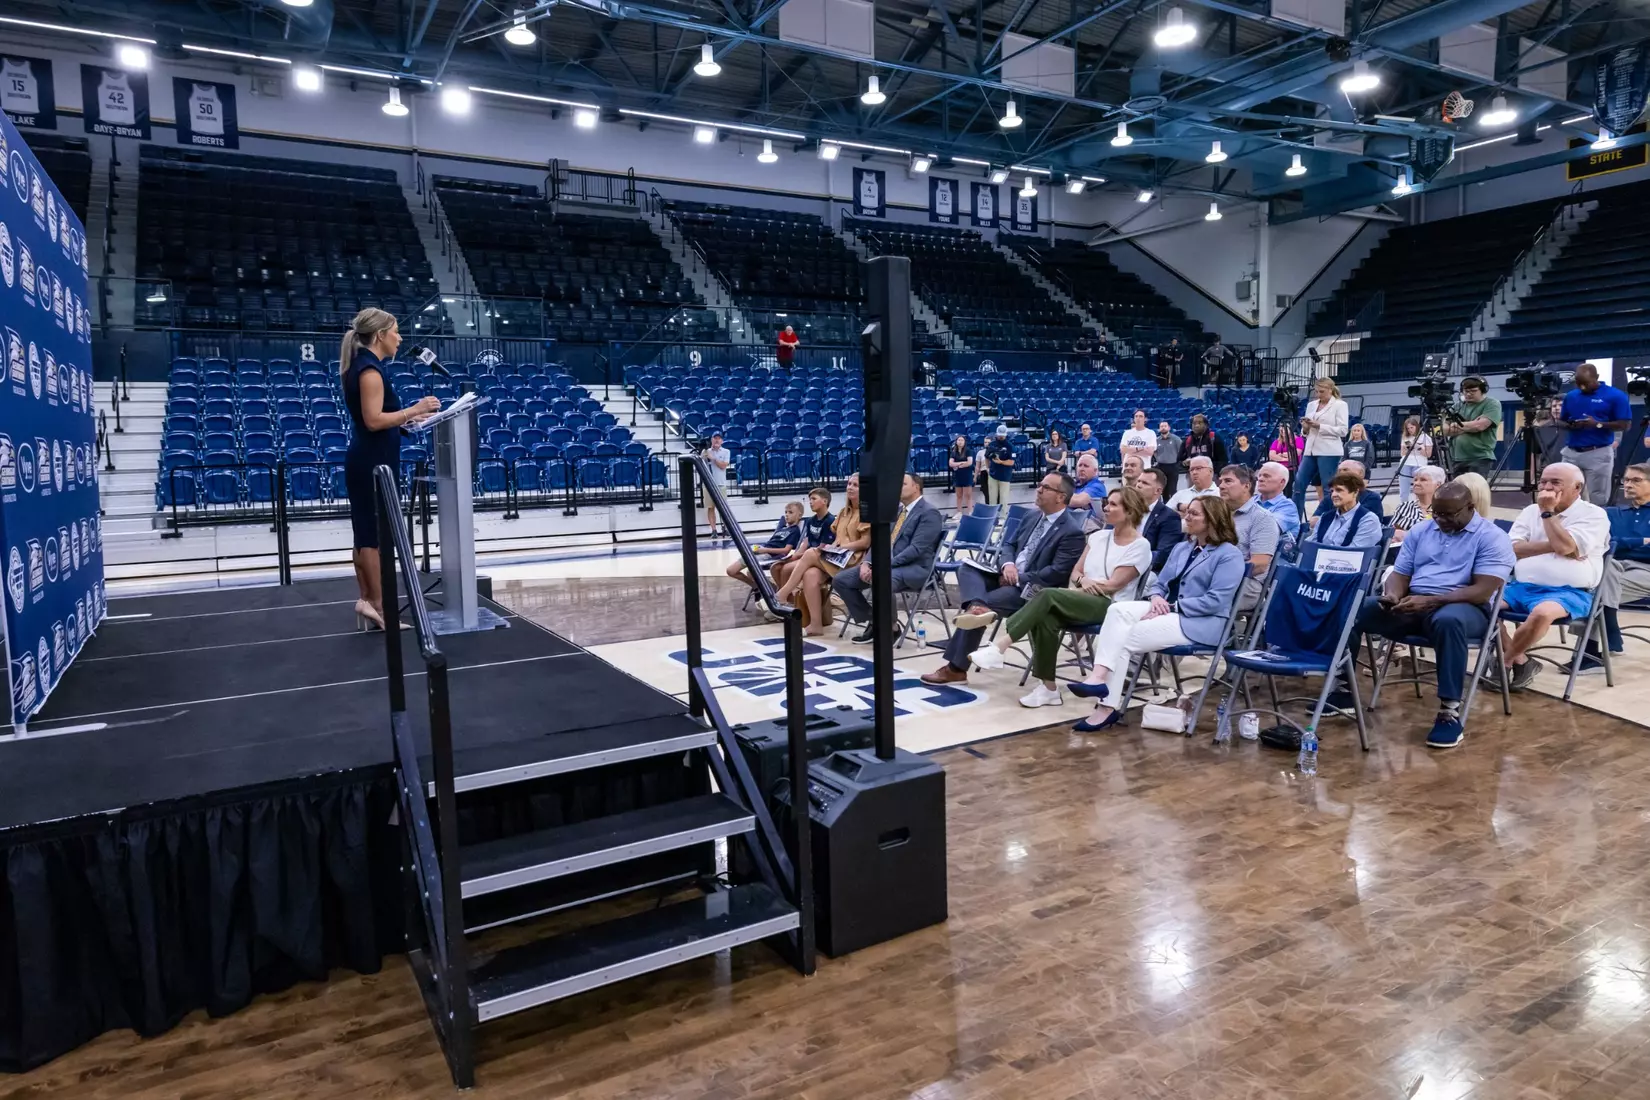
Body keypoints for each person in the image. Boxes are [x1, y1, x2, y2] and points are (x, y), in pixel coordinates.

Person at [1348, 482, 1515, 749]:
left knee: (1448, 620)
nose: (1440, 520)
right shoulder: (1423, 530)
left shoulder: (1492, 537)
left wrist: (1431, 601)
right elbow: (1400, 574)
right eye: (1436, 513)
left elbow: (1482, 591)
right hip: (1414, 602)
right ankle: (1343, 688)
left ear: (1470, 508)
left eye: (1448, 514)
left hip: (1467, 607)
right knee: (1356, 608)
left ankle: (1449, 712)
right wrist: (1392, 595)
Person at [1065, 496, 1247, 732]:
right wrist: (1157, 598)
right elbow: (1159, 583)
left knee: (1123, 638)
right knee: (1117, 610)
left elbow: (1216, 601)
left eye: (1194, 514)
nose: (1187, 517)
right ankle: (1099, 678)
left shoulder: (1228, 554)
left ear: (1213, 519)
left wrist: (1171, 608)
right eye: (1187, 512)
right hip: (1167, 609)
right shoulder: (1183, 547)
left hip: (1200, 622)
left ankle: (1106, 708)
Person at [964, 487, 1153, 706]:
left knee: (1046, 595)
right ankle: (1048, 689)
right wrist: (1084, 582)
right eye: (1107, 503)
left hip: (1112, 607)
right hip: (1081, 597)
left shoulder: (1140, 545)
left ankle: (1000, 647)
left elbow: (1113, 585)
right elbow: (1076, 572)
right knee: (1046, 617)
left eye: (1113, 505)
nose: (1106, 508)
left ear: (1130, 511)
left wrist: (1084, 584)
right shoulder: (1098, 537)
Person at [920, 472, 1084, 687]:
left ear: (1061, 497)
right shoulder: (1032, 516)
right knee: (967, 569)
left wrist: (1017, 578)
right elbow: (1008, 546)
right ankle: (977, 606)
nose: (1039, 489)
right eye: (1040, 485)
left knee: (985, 603)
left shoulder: (1072, 532)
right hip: (1008, 575)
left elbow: (1055, 573)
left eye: (1045, 487)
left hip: (1034, 591)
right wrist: (1008, 565)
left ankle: (956, 669)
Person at [341, 308, 439, 630]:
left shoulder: (366, 367)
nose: (400, 338)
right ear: (381, 334)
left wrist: (408, 420)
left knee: (366, 533)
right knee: (372, 536)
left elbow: (381, 420)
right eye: (396, 331)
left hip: (371, 458)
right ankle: (377, 607)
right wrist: (415, 408)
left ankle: (368, 601)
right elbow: (373, 420)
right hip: (372, 462)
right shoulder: (370, 371)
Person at [1495, 462, 1609, 691]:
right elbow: (1511, 549)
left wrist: (1548, 513)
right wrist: (1556, 546)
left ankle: (1505, 660)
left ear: (1577, 488)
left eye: (1555, 482)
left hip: (1571, 591)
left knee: (1541, 613)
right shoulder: (1529, 511)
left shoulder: (1593, 515)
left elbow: (1566, 546)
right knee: (1482, 604)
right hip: (1522, 586)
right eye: (1543, 481)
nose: (1546, 487)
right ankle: (1522, 661)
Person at [833, 472, 944, 644]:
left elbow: (916, 550)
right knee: (841, 580)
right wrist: (867, 562)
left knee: (883, 579)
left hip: (914, 568)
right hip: (886, 566)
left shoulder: (930, 513)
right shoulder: (897, 510)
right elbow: (879, 541)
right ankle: (876, 621)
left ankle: (889, 628)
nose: (897, 488)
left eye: (903, 484)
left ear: (916, 487)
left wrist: (883, 565)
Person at [1575, 461, 1650, 672]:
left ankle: (1591, 651)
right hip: (1613, 567)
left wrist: (1619, 544)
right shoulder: (1610, 513)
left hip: (1646, 571)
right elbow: (1603, 544)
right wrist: (1641, 541)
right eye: (1626, 480)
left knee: (1592, 590)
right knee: (1603, 582)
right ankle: (1596, 648)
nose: (1628, 485)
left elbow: (1613, 543)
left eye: (1636, 480)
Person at [775, 476, 865, 635]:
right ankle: (816, 625)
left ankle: (783, 593)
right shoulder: (843, 513)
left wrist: (841, 547)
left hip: (854, 559)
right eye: (849, 484)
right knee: (810, 574)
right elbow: (838, 537)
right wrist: (835, 546)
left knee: (810, 553)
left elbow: (865, 542)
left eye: (855, 485)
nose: (850, 487)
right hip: (838, 557)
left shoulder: (866, 512)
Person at [1559, 362, 1632, 503]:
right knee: (1566, 494)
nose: (1582, 387)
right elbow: (1561, 421)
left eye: (1586, 383)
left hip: (1598, 453)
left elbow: (1625, 425)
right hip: (1571, 452)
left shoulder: (1615, 396)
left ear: (1597, 377)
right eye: (1579, 384)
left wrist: (1597, 424)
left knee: (1598, 497)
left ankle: (1598, 523)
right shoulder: (1571, 396)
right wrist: (1571, 425)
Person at [1218, 463, 1280, 609]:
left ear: (1246, 486)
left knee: (1198, 592)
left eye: (1228, 481)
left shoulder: (1262, 518)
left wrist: (1217, 573)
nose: (1221, 486)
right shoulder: (1216, 513)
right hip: (1214, 577)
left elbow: (1259, 565)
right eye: (1220, 481)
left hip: (1247, 583)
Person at [1292, 376, 1349, 519]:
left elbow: (1343, 430)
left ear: (1330, 390)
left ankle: (1328, 518)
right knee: (1298, 484)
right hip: (1310, 449)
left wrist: (1319, 426)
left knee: (1327, 486)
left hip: (1329, 450)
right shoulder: (1312, 405)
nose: (1318, 395)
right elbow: (1305, 432)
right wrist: (1305, 428)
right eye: (1316, 392)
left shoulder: (1339, 405)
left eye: (1321, 391)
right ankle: (1295, 519)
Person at [729, 501, 803, 591]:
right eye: (786, 512)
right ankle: (760, 588)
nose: (787, 515)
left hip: (771, 555)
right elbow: (772, 539)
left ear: (799, 515)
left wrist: (765, 550)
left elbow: (786, 551)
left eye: (790, 512)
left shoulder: (794, 531)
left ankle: (768, 589)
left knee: (745, 572)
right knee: (737, 571)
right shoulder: (782, 528)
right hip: (763, 550)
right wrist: (761, 548)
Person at [1304, 471, 1384, 549]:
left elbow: (1355, 553)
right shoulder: (1325, 517)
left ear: (1355, 492)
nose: (1333, 495)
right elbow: (1310, 546)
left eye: (1339, 490)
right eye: (1332, 491)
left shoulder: (1368, 520)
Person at [1442, 376, 1502, 478]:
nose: (1468, 394)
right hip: (1455, 458)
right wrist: (1470, 426)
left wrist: (1455, 425)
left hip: (1479, 458)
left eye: (1473, 391)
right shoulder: (1457, 406)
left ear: (1483, 390)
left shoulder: (1492, 404)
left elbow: (1480, 426)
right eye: (1466, 391)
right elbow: (1443, 429)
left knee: (1475, 491)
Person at [1139, 466, 1184, 572]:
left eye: (1145, 483)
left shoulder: (1169, 517)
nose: (1138, 485)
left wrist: (1132, 562)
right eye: (1139, 481)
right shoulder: (1126, 510)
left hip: (1147, 571)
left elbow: (1162, 555)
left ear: (1158, 491)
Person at [1255, 462, 1301, 557]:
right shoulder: (1251, 500)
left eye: (1266, 476)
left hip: (1274, 559)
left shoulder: (1288, 507)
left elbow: (1266, 529)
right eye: (1259, 475)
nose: (1260, 479)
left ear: (1282, 482)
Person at [1391, 465, 1445, 544]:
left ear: (1438, 485)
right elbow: (1389, 533)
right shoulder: (1404, 507)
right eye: (1415, 480)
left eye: (1423, 480)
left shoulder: (1446, 508)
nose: (1416, 483)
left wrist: (1407, 535)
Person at [1397, 416, 1433, 503]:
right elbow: (1402, 454)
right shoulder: (1405, 437)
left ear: (1416, 426)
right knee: (1404, 487)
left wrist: (1420, 448)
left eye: (1411, 427)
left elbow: (1429, 454)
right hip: (1406, 462)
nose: (1410, 430)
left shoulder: (1425, 437)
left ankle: (1419, 505)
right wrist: (1406, 448)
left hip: (1419, 463)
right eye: (1408, 428)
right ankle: (1403, 505)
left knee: (1419, 486)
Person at [701, 432, 732, 536]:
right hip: (708, 483)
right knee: (710, 507)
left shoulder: (726, 452)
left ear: (722, 441)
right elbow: (701, 466)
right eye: (715, 438)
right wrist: (704, 457)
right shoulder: (706, 452)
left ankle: (725, 528)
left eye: (719, 438)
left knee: (723, 508)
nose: (717, 440)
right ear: (711, 440)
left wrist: (713, 458)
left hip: (720, 484)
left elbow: (723, 466)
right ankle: (714, 530)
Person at [985, 424, 1016, 506]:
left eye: (1002, 436)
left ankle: (1003, 516)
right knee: (992, 498)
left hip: (1005, 475)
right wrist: (987, 468)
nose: (1001, 437)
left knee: (1004, 497)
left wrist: (1001, 462)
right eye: (999, 435)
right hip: (993, 474)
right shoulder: (992, 444)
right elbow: (986, 457)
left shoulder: (1010, 447)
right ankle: (992, 516)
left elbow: (1012, 462)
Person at [1069, 452, 1106, 522]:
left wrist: (1058, 496)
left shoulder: (1097, 486)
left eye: (1086, 466)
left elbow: (1078, 501)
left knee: (1078, 511)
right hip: (1072, 524)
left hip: (1090, 526)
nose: (1081, 469)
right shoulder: (1073, 484)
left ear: (1095, 471)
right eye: (1080, 465)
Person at [1154, 421, 1182, 496]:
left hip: (1173, 466)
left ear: (1169, 428)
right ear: (1159, 429)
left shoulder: (1176, 439)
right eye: (1161, 426)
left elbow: (1181, 450)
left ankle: (1174, 506)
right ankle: (1165, 505)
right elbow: (1154, 452)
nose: (1163, 428)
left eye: (1165, 426)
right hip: (1161, 466)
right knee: (1163, 490)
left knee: (1173, 489)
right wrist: (1158, 459)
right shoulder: (1156, 440)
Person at [948, 434, 975, 513]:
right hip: (957, 476)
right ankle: (959, 512)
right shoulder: (954, 452)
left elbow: (969, 462)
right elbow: (950, 463)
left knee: (968, 495)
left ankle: (970, 512)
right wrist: (962, 463)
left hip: (967, 475)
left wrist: (957, 465)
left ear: (964, 442)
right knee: (959, 495)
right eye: (958, 440)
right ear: (956, 442)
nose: (960, 442)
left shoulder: (968, 451)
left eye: (962, 440)